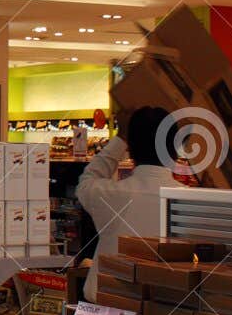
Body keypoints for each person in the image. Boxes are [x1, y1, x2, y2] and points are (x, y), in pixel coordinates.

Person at [75, 106, 184, 301]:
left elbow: (87, 179)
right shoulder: (189, 202)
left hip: (105, 311)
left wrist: (120, 138)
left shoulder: (110, 194)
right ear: (175, 150)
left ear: (130, 149)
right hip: (165, 313)